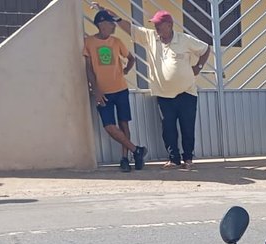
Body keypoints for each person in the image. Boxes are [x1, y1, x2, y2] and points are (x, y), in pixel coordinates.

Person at [96, 4, 211, 170]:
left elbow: (205, 49)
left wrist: (198, 68)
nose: (155, 27)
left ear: (169, 25)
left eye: (158, 24)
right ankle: (174, 159)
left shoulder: (184, 40)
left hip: (187, 92)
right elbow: (130, 29)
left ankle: (188, 159)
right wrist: (115, 17)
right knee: (168, 129)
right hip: (164, 94)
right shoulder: (150, 37)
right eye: (154, 24)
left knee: (187, 127)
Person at [83, 10, 146, 172]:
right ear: (101, 24)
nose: (114, 26)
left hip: (121, 89)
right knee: (109, 127)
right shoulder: (88, 42)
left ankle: (125, 158)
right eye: (111, 23)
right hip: (103, 93)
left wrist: (125, 71)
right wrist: (96, 90)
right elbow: (88, 69)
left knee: (123, 124)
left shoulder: (117, 42)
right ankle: (136, 150)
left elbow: (131, 58)